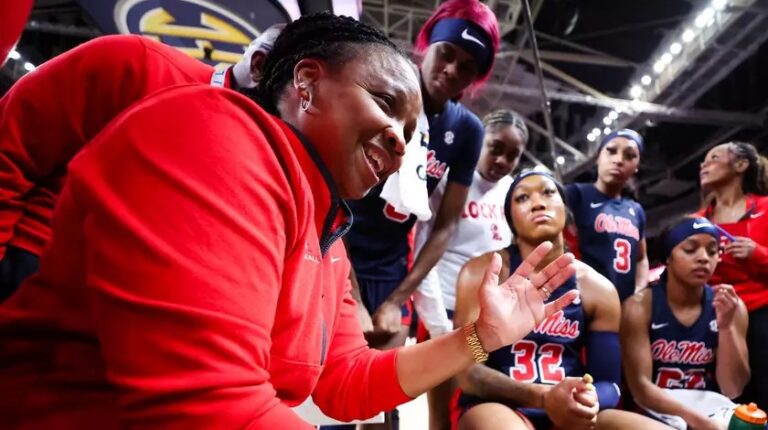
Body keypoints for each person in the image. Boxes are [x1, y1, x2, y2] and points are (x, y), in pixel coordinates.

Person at [0, 13, 578, 429]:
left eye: (410, 132)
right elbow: (209, 406)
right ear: (305, 83)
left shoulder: (327, 235)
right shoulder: (214, 134)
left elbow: (348, 382)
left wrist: (478, 338)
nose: (400, 145)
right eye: (384, 103)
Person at [0, 26, 283, 301]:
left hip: (130, 317)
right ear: (259, 66)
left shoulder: (267, 163)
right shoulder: (136, 63)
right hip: (35, 273)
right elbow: (11, 146)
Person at [453, 170, 668, 430]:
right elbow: (470, 369)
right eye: (522, 198)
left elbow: (609, 384)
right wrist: (542, 397)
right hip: (498, 404)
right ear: (511, 220)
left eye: (548, 192)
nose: (538, 202)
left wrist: (585, 399)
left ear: (566, 210)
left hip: (568, 408)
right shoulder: (481, 273)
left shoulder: (598, 289)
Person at [412, 109, 528, 430]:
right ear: (480, 142)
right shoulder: (451, 182)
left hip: (489, 322)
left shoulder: (514, 194)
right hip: (447, 313)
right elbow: (424, 251)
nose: (503, 160)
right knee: (441, 413)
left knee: (478, 402)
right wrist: (437, 324)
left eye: (513, 155)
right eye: (496, 148)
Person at [621, 216, 750, 430]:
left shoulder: (731, 307)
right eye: (690, 250)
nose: (703, 258)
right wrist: (701, 424)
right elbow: (641, 389)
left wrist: (726, 327)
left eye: (712, 251)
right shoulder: (639, 307)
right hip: (653, 411)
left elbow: (733, 389)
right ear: (668, 257)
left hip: (709, 407)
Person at [696, 141, 768, 411]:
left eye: (714, 157)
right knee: (724, 404)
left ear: (740, 165)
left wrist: (758, 253)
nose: (704, 164)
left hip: (761, 316)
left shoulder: (766, 208)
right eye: (702, 161)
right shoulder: (698, 220)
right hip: (714, 320)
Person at [564, 129, 649, 303]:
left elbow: (641, 258)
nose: (618, 160)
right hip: (583, 302)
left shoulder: (636, 210)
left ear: (637, 165)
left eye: (629, 155)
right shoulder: (575, 194)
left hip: (623, 305)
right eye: (611, 151)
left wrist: (640, 291)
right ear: (598, 157)